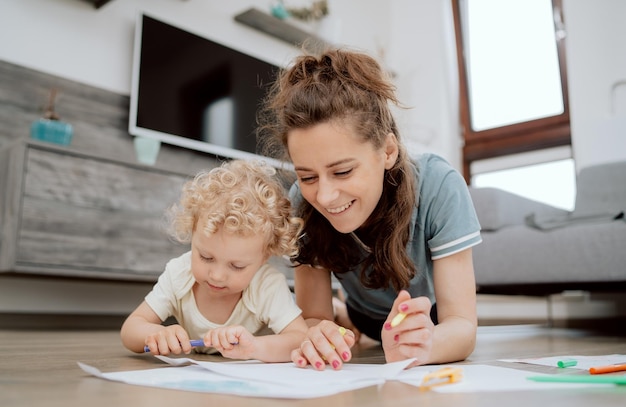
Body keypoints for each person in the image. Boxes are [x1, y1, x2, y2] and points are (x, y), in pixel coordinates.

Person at [258, 48, 482, 371]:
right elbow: (313, 317)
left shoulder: (439, 186)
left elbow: (462, 324)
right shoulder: (302, 202)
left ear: (388, 151)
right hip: (365, 313)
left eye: (343, 171)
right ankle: (346, 315)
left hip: (429, 318)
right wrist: (318, 334)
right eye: (307, 176)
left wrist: (424, 346)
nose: (324, 195)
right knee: (347, 319)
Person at [120, 159, 308, 363]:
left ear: (265, 257)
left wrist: (254, 347)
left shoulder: (267, 286)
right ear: (193, 233)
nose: (217, 275)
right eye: (206, 257)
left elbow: (300, 338)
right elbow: (130, 329)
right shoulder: (179, 274)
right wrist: (154, 333)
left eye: (237, 266)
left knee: (319, 312)